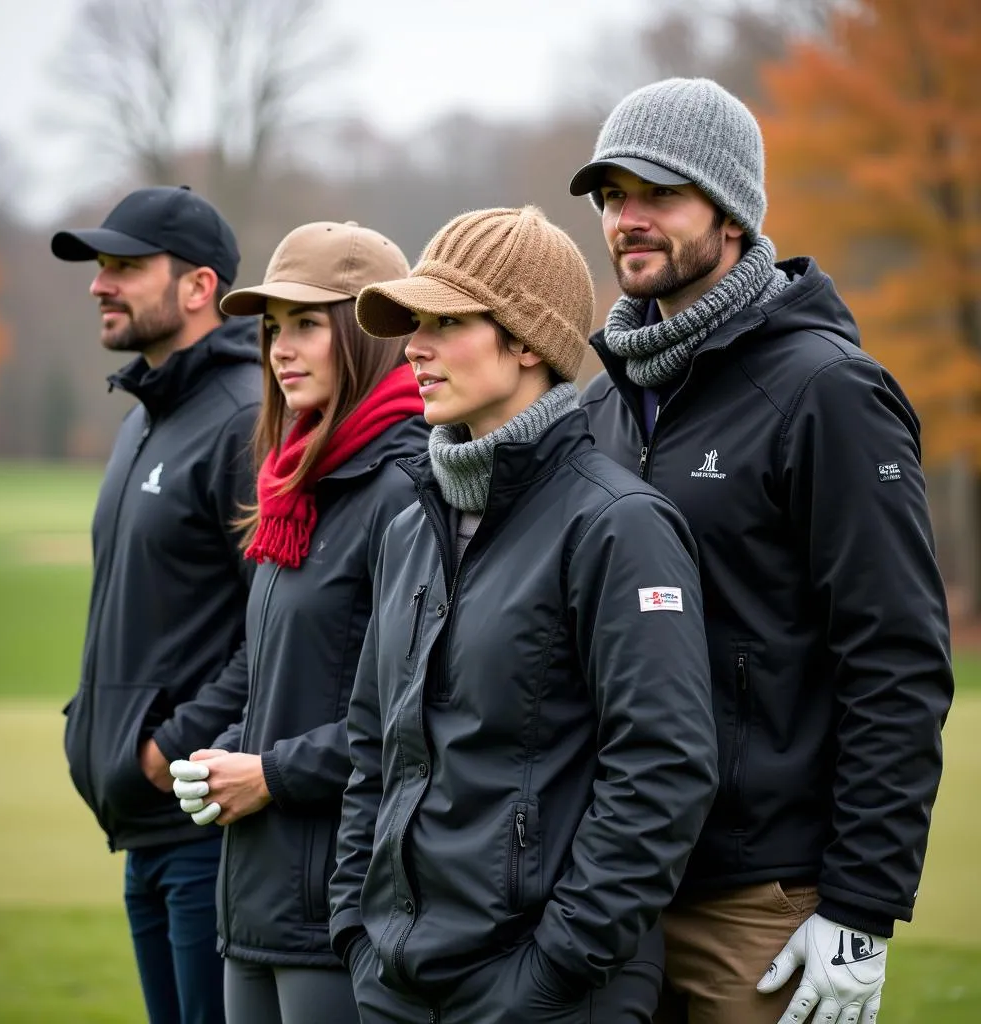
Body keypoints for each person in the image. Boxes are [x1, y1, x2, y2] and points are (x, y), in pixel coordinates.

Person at [569, 77, 954, 1024]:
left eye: (657, 193)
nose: (627, 218)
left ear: (731, 210)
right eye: (613, 196)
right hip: (616, 888)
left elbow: (895, 657)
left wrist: (861, 904)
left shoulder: (829, 392)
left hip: (764, 905)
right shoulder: (602, 406)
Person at [328, 205, 719, 1024]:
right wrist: (358, 934)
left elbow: (663, 770)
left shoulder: (619, 526)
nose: (415, 350)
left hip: (549, 992)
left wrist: (552, 970)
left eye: (445, 322)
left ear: (529, 341)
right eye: (412, 324)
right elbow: (376, 747)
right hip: (398, 985)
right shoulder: (410, 526)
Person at [164, 220, 428, 1024]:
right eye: (272, 327)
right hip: (255, 895)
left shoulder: (405, 485)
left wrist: (269, 773)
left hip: (337, 910)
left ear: (367, 334)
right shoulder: (292, 483)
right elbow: (296, 679)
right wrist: (231, 752)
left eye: (307, 323)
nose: (280, 347)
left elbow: (411, 718)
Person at [52, 185, 261, 1024]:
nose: (102, 283)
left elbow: (277, 625)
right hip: (145, 834)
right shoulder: (146, 417)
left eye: (126, 266)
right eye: (101, 265)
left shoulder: (245, 418)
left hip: (202, 834)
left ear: (198, 286)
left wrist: (170, 744)